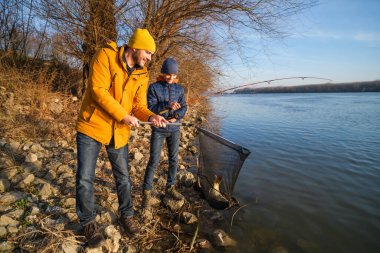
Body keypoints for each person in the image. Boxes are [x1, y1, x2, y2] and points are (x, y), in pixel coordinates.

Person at [75, 28, 168, 248]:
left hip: (119, 133)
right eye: (148, 53)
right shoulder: (105, 55)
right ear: (134, 48)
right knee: (85, 178)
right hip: (92, 126)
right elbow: (98, 91)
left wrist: (153, 116)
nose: (149, 58)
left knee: (124, 178)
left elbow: (138, 106)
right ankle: (88, 223)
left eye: (151, 55)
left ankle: (127, 215)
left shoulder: (142, 74)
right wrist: (124, 116)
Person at [142, 58, 187, 211]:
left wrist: (177, 116)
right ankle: (146, 193)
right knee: (154, 160)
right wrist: (167, 105)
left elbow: (184, 107)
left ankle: (170, 187)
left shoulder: (180, 89)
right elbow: (151, 108)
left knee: (174, 159)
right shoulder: (154, 87)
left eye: (174, 75)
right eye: (168, 74)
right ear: (163, 73)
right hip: (159, 129)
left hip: (174, 128)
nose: (171, 77)